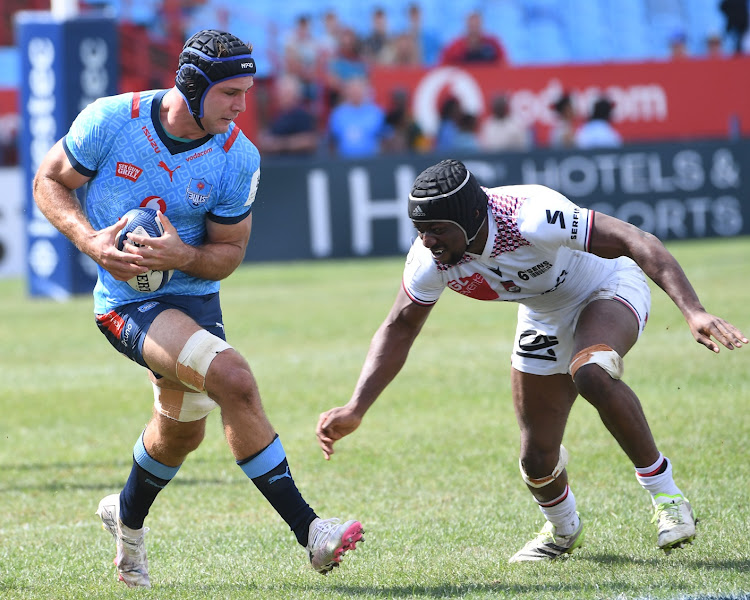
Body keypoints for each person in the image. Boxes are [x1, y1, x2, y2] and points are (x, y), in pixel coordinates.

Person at [32, 29, 364, 589]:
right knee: (233, 377)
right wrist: (92, 243)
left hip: (193, 300)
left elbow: (228, 254)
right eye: (230, 92)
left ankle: (126, 521)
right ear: (193, 85)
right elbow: (49, 181)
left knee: (180, 432)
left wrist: (182, 254)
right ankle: (312, 533)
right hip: (127, 303)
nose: (241, 105)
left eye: (247, 92)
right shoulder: (113, 120)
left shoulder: (237, 157)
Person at [316, 158, 747, 563]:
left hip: (606, 283)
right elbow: (399, 327)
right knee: (536, 458)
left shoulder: (531, 216)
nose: (427, 241)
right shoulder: (429, 260)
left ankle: (668, 498)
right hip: (544, 313)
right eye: (419, 229)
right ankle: (563, 531)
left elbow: (637, 240)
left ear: (468, 218)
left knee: (590, 372)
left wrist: (693, 310)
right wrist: (357, 406)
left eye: (436, 229)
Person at [258, 74, 319, 156]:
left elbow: (309, 140)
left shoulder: (302, 114)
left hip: (297, 163)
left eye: (285, 93)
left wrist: (280, 144)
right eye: (280, 92)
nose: (280, 96)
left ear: (295, 94)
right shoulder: (277, 115)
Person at [327, 76, 386, 158]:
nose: (356, 93)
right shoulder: (338, 114)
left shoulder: (376, 113)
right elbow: (332, 140)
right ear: (346, 92)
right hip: (343, 161)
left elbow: (384, 138)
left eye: (359, 90)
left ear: (365, 91)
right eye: (352, 90)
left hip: (372, 161)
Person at [439, 11, 507, 66]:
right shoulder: (454, 47)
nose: (474, 29)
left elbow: (504, 64)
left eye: (476, 25)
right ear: (467, 26)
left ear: (481, 25)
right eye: (471, 26)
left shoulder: (493, 44)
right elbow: (444, 67)